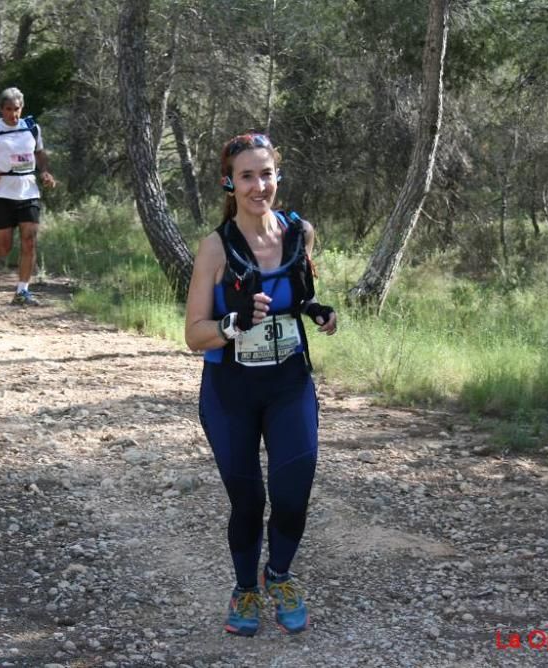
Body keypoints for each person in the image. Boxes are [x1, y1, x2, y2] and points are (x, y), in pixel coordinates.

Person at [184, 133, 337, 637]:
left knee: (293, 493)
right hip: (232, 391)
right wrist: (233, 324)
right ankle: (245, 589)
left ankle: (281, 576)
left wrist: (317, 312)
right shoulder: (215, 248)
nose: (259, 185)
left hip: (289, 381)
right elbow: (193, 334)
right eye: (247, 176)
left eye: (267, 173)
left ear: (279, 175)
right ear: (230, 182)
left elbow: (299, 297)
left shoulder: (300, 234)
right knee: (248, 500)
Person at [0, 87, 56, 306]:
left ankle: (22, 291)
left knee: (29, 241)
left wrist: (44, 171)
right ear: (1, 109)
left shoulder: (32, 128)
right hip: (1, 192)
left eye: (17, 109)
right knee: (4, 246)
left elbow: (40, 153)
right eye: (8, 109)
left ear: (22, 108)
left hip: (28, 190)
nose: (13, 114)